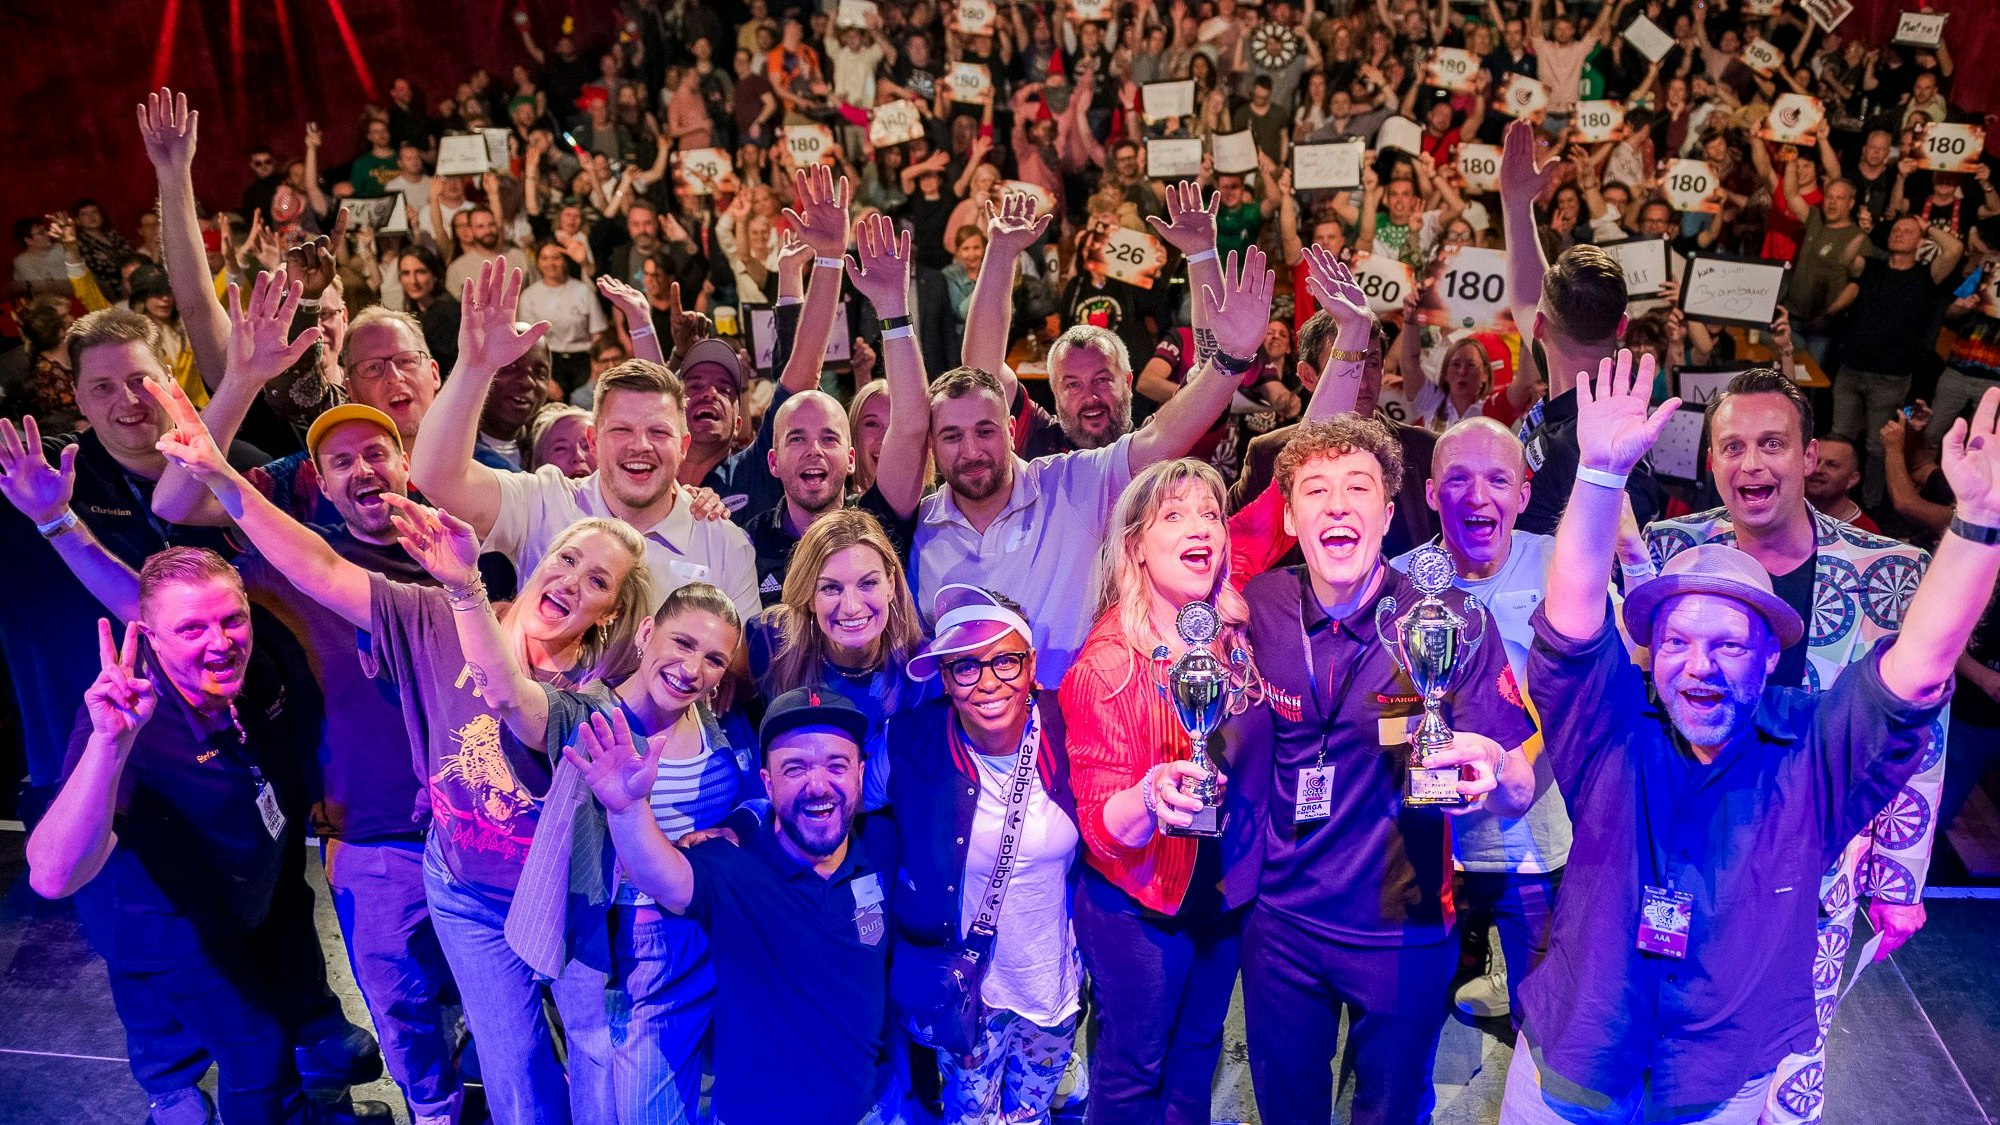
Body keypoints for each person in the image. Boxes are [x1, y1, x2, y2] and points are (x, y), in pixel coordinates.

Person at [145, 374, 654, 1125]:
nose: (572, 581)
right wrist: (221, 476)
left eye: (598, 580)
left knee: (596, 1064)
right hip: (465, 890)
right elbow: (315, 566)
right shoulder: (428, 615)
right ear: (542, 560)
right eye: (568, 560)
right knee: (513, 1076)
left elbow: (513, 697)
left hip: (559, 900)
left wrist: (465, 589)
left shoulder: (588, 692)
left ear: (610, 610)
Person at [1500, 355, 1993, 1125]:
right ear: (1650, 650)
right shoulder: (1611, 731)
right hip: (1577, 1063)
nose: (1699, 666)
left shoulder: (1811, 755)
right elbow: (1568, 626)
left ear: (1770, 658)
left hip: (1714, 1084)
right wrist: (1597, 472)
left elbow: (1920, 667)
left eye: (1728, 645)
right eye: (1678, 642)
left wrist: (1979, 528)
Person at [389, 488, 755, 1125]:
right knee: (583, 1097)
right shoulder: (592, 716)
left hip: (692, 947)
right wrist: (465, 590)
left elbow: (753, 800)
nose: (693, 665)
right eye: (682, 643)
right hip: (612, 946)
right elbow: (507, 695)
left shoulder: (724, 733)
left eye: (713, 657)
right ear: (644, 633)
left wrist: (732, 829)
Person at [1639, 371, 1945, 1125]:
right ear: (1709, 461)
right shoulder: (1670, 548)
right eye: (1733, 446)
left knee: (1793, 1054)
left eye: (1772, 444)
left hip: (1819, 862)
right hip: (1690, 857)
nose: (1752, 464)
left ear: (1808, 455)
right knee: (1669, 1048)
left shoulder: (1889, 572)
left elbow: (1923, 727)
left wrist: (1901, 872)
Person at [1234, 415, 1537, 1125]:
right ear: (1290, 514)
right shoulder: (1260, 608)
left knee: (1392, 1113)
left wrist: (1492, 765)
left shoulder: (1450, 618)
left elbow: (1519, 791)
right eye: (1315, 489)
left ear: (1388, 508)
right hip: (1281, 927)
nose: (1336, 504)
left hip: (1402, 929)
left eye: (1357, 486)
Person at [914, 203, 1275, 684]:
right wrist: (1001, 252)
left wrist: (1203, 263)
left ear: (1128, 381)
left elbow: (1200, 392)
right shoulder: (1039, 445)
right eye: (1072, 385)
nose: (1090, 397)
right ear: (1052, 391)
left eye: (1103, 379)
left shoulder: (1146, 445)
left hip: (1159, 651)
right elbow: (980, 371)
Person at [27, 554, 325, 1125]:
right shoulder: (126, 720)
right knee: (259, 1054)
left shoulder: (252, 669)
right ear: (151, 640)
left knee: (192, 1024)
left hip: (233, 898)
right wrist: (110, 745)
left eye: (232, 619)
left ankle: (174, 1091)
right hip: (162, 926)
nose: (220, 641)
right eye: (191, 628)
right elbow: (51, 875)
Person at [568, 686, 906, 1124]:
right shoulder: (733, 863)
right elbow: (664, 877)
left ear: (860, 774)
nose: (818, 784)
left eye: (836, 766)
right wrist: (628, 810)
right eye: (795, 768)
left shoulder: (882, 846)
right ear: (768, 781)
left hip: (875, 1111)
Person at [1060, 457, 1279, 1125]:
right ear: (1135, 546)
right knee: (1134, 1071)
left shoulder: (1228, 627)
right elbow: (1099, 821)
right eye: (1174, 515)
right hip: (1144, 907)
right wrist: (1150, 797)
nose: (1200, 529)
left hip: (1227, 896)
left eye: (1210, 514)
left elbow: (1277, 508)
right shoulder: (1107, 665)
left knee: (1197, 1055)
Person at [409, 262, 760, 619]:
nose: (640, 445)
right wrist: (475, 367)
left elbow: (743, 669)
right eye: (622, 430)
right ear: (593, 441)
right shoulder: (547, 502)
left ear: (684, 445)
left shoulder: (726, 546)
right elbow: (435, 476)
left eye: (658, 432)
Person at [1390, 416, 1571, 1023]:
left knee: (1541, 1018)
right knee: (1404, 1021)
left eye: (1498, 479)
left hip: (1533, 844)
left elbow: (1600, 682)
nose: (1477, 497)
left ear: (1523, 493)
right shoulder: (1394, 582)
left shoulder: (1562, 567)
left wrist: (1516, 765)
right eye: (1458, 479)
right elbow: (1378, 711)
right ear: (1430, 491)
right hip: (1426, 847)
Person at [890, 585, 1083, 1123]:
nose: (989, 683)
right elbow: (842, 793)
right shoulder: (912, 743)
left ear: (1031, 666)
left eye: (1004, 661)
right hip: (968, 990)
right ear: (946, 680)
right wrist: (744, 823)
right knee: (970, 1115)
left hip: (1051, 986)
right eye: (965, 668)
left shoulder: (1067, 726)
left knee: (1030, 1114)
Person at [1497, 120, 1660, 535]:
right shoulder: (1577, 393)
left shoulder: (1604, 445)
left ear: (1538, 327)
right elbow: (1527, 298)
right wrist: (1517, 206)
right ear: (1622, 325)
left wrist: (1516, 205)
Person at [749, 509, 927, 811]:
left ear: (891, 585)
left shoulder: (923, 670)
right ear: (808, 595)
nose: (852, 607)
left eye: (868, 583)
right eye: (831, 588)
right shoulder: (768, 641)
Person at [1827, 214, 1962, 507]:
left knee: (1878, 446)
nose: (1899, 233)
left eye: (1908, 231)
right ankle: (1834, 502)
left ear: (1920, 241)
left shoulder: (1927, 275)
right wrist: (1865, 232)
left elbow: (1953, 250)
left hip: (1891, 377)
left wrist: (1927, 226)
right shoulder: (1873, 266)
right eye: (1896, 229)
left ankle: (1871, 506)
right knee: (1840, 438)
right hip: (1850, 368)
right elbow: (1847, 258)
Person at [516, 242, 608, 394]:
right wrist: (545, 378)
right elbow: (529, 343)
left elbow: (598, 335)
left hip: (583, 362)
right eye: (544, 258)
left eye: (556, 258)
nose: (550, 263)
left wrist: (595, 370)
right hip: (549, 362)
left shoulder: (583, 291)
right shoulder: (529, 296)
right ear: (538, 262)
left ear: (565, 260)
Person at [1802, 434, 1876, 531]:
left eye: (1831, 465)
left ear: (1852, 479)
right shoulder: (1782, 512)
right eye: (1814, 461)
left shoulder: (1865, 535)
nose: (1817, 470)